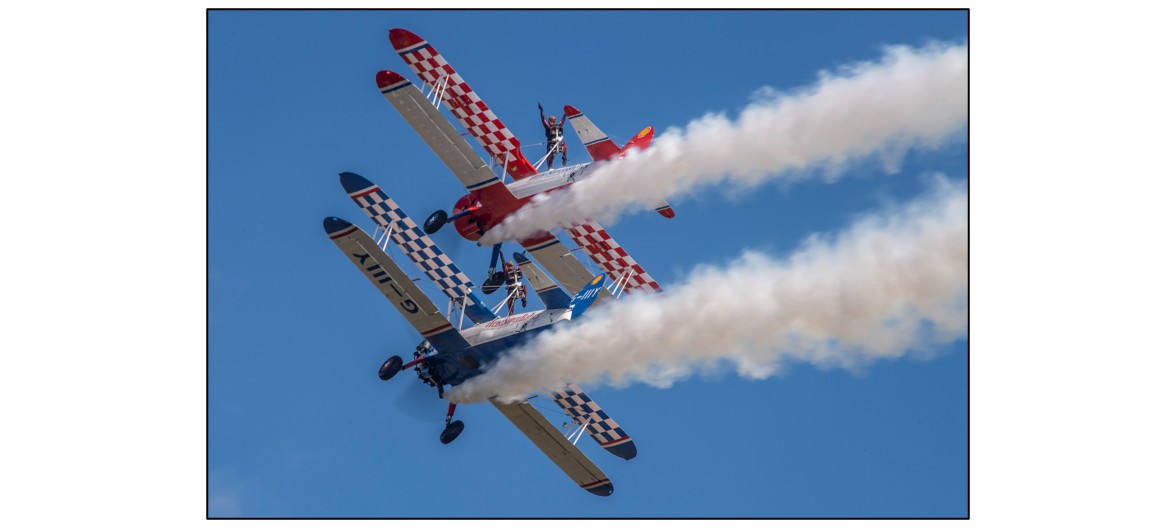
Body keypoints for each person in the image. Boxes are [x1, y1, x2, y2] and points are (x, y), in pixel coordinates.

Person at [538, 102, 568, 168]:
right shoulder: (548, 127)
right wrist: (541, 110)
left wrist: (565, 114)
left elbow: (562, 121)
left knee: (564, 145)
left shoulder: (557, 126)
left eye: (550, 121)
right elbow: (543, 120)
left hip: (557, 143)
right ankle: (550, 168)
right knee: (549, 156)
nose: (549, 122)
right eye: (549, 121)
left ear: (552, 121)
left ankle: (564, 158)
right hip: (551, 145)